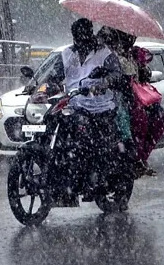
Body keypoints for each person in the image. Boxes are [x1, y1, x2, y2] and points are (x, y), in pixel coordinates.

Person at [53, 18, 123, 203]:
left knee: (91, 143)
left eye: (83, 36)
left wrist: (104, 83)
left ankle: (95, 180)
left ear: (89, 34)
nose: (80, 42)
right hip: (74, 105)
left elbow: (117, 74)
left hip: (100, 107)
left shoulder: (105, 54)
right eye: (77, 37)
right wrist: (41, 89)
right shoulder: (66, 54)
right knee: (58, 133)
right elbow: (53, 76)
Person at [98, 26, 164, 177]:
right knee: (131, 122)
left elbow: (139, 77)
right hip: (115, 98)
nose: (132, 39)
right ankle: (133, 158)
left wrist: (142, 71)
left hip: (134, 98)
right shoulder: (105, 55)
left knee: (156, 118)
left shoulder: (133, 55)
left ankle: (138, 158)